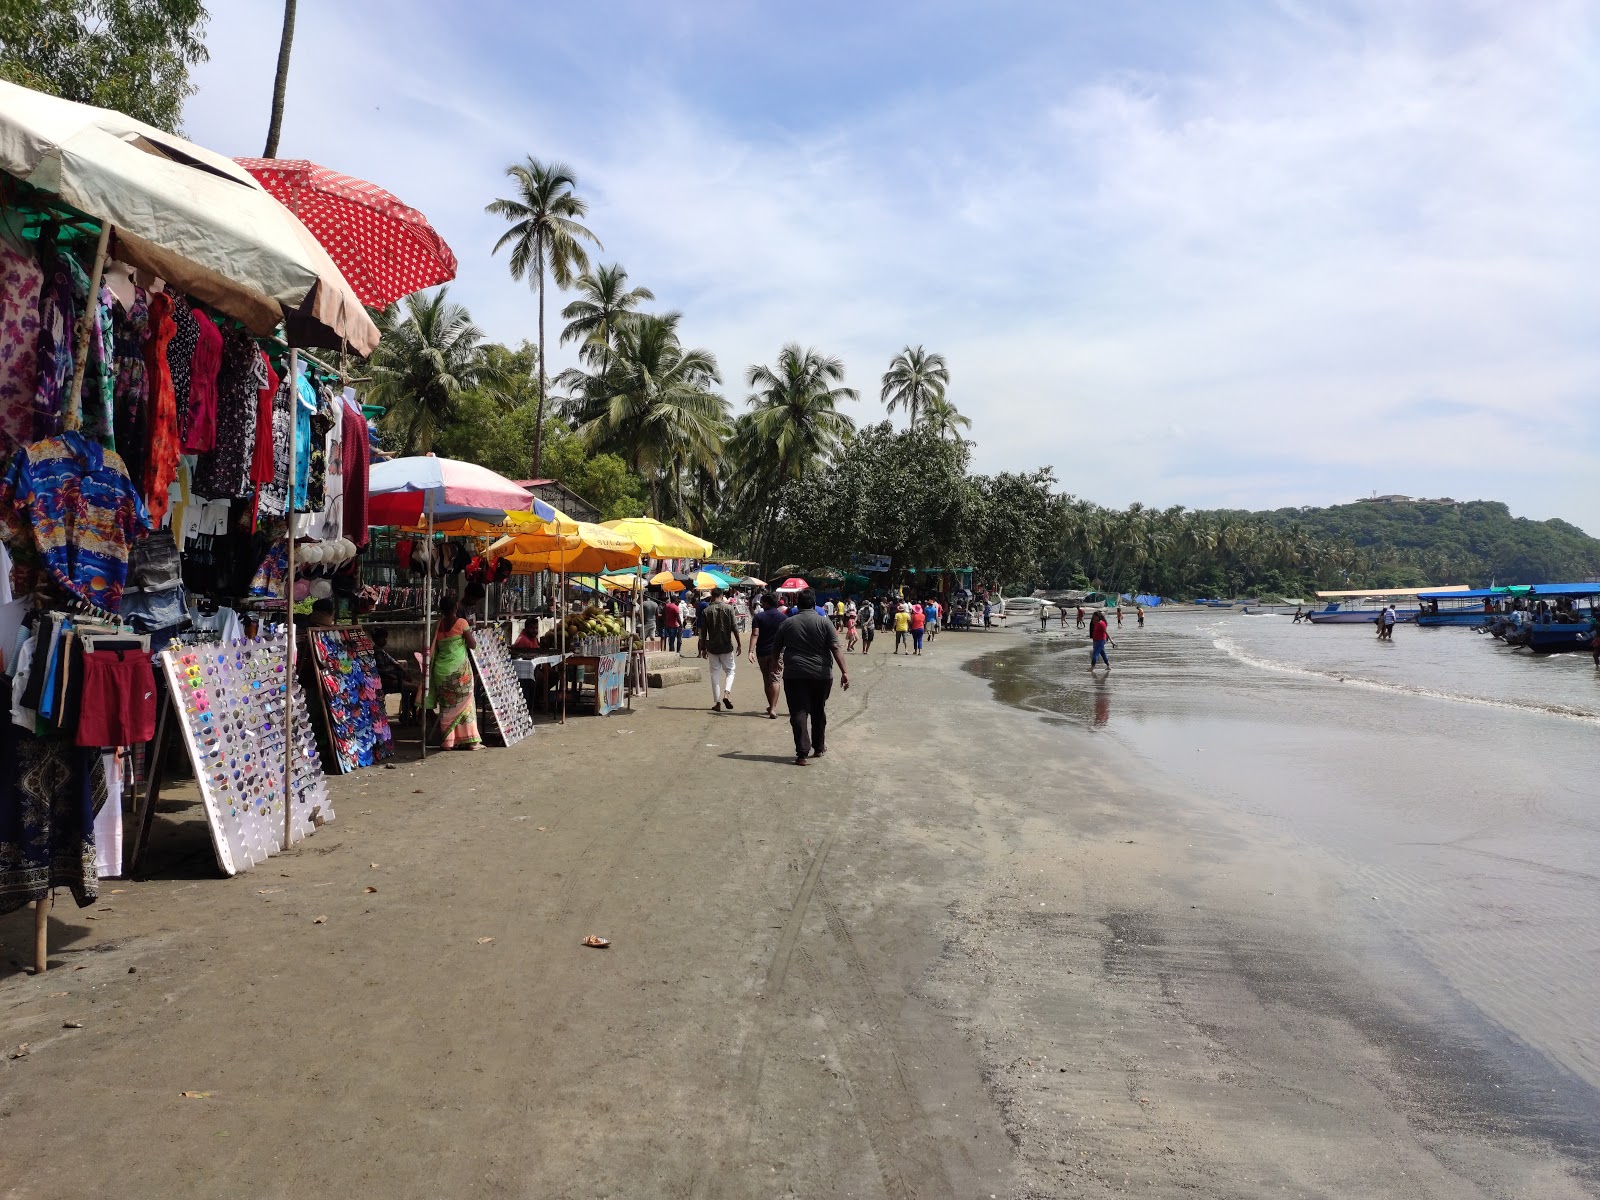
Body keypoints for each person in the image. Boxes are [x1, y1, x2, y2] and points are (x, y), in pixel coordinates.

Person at [773, 587, 850, 764]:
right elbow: (836, 647)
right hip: (821, 675)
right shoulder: (825, 623)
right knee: (818, 710)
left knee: (798, 712)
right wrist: (844, 672)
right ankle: (819, 747)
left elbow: (775, 648)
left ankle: (802, 753)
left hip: (794, 674)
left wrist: (774, 664)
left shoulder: (787, 623)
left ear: (797, 605)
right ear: (815, 605)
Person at [427, 593, 481, 750]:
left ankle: (448, 741)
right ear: (456, 607)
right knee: (467, 703)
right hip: (459, 672)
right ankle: (471, 741)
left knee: (447, 705)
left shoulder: (437, 625)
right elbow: (472, 644)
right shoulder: (462, 622)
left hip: (441, 673)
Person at [748, 591, 790, 719]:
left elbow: (755, 634)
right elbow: (787, 637)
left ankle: (770, 705)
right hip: (778, 653)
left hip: (762, 652)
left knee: (767, 679)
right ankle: (773, 708)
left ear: (766, 603)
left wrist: (750, 651)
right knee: (775, 679)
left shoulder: (759, 617)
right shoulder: (784, 618)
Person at [698, 587, 741, 711]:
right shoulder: (729, 608)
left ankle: (717, 703)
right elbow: (735, 627)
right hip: (726, 646)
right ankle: (726, 693)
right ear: (722, 595)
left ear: (711, 596)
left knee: (714, 674)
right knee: (730, 671)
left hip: (712, 647)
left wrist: (703, 648)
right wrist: (739, 644)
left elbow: (703, 632)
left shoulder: (706, 611)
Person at [371, 627, 416, 724]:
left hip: (394, 678)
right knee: (415, 688)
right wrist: (397, 676)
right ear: (377, 639)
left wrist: (403, 670)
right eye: (383, 638)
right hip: (387, 681)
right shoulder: (377, 652)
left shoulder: (383, 652)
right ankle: (408, 715)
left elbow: (395, 662)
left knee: (414, 686)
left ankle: (408, 713)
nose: (385, 640)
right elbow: (383, 670)